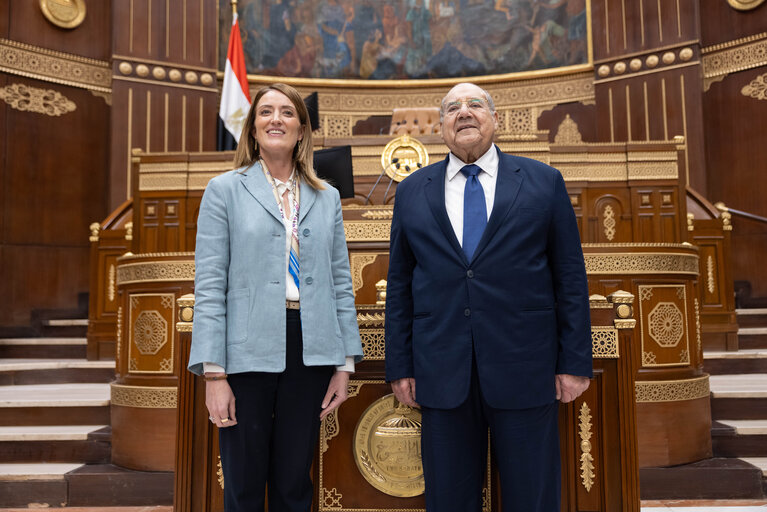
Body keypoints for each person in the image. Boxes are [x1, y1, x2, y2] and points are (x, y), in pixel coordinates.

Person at [385, 82, 592, 512]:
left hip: (526, 367)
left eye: (475, 104)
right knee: (449, 500)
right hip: (441, 373)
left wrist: (573, 362)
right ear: (441, 126)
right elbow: (401, 284)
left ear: (495, 119)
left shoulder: (543, 182)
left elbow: (569, 277)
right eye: (452, 108)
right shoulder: (411, 191)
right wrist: (400, 364)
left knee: (530, 497)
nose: (464, 112)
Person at [188, 83, 364, 512]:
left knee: (293, 483)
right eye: (265, 112)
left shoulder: (326, 197)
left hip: (310, 346)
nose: (276, 120)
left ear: (302, 130)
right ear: (252, 130)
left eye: (287, 112)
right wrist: (215, 376)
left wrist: (343, 366)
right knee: (244, 484)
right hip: (245, 349)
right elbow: (210, 286)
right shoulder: (224, 190)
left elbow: (341, 283)